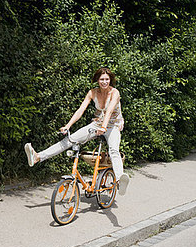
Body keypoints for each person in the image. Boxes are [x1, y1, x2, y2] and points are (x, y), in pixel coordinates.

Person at [24, 67, 130, 195]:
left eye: (107, 79)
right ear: (97, 80)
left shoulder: (115, 93)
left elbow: (109, 111)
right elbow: (80, 110)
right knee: (69, 140)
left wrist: (104, 127)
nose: (104, 82)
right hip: (97, 124)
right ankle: (37, 157)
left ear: (110, 80)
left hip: (113, 126)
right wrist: (68, 126)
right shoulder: (92, 93)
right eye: (102, 79)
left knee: (113, 149)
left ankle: (119, 180)